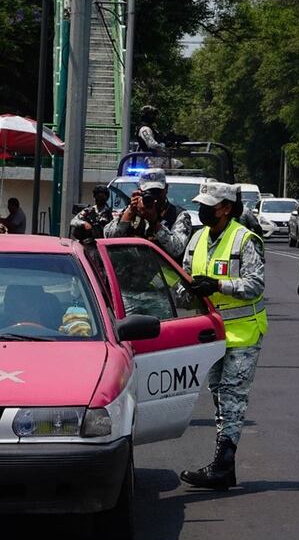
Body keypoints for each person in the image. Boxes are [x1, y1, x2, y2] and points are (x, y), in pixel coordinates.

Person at [180, 181, 267, 490]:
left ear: (227, 207)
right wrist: (181, 293)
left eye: (209, 205)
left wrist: (218, 286)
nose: (202, 209)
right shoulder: (197, 238)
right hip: (212, 335)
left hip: (243, 335)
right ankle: (224, 466)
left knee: (232, 399)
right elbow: (185, 278)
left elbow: (255, 285)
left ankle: (222, 465)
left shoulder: (245, 240)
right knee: (219, 398)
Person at [102, 168, 192, 261]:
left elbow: (176, 250)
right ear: (139, 190)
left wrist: (154, 222)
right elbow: (108, 238)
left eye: (157, 191)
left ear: (166, 189)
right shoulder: (132, 211)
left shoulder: (179, 215)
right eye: (149, 192)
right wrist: (130, 211)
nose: (153, 196)